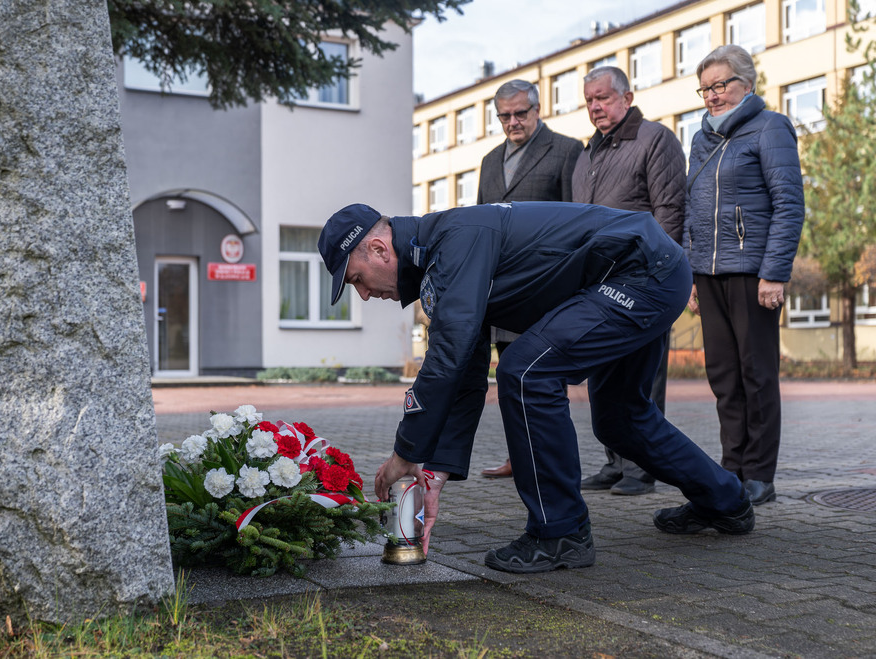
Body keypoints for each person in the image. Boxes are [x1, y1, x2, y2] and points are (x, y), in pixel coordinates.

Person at [317, 201, 754, 574]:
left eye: (356, 280)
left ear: (377, 248)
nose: (365, 295)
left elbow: (448, 356)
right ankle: (726, 501)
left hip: (639, 272)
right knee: (621, 420)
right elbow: (465, 369)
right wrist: (435, 467)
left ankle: (561, 532)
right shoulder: (439, 260)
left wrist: (405, 452)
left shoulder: (455, 242)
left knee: (526, 371)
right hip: (647, 271)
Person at [684, 45, 804, 506]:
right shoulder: (701, 140)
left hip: (753, 273)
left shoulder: (770, 127)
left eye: (720, 85)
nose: (712, 95)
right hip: (708, 273)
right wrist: (689, 272)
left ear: (746, 83)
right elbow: (692, 213)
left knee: (757, 373)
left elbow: (789, 204)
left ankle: (759, 473)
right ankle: (730, 467)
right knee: (722, 376)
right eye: (705, 88)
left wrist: (774, 272)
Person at [572, 66, 687, 496]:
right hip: (598, 286)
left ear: (627, 96)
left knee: (642, 381)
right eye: (589, 100)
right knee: (605, 375)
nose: (596, 107)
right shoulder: (588, 154)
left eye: (602, 97)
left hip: (643, 282)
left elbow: (670, 210)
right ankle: (615, 463)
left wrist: (659, 276)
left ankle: (643, 469)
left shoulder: (655, 139)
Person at [477, 79, 583, 479]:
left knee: (544, 379)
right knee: (509, 376)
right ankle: (518, 457)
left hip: (546, 287)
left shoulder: (568, 150)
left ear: (538, 110)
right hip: (504, 290)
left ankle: (552, 464)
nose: (513, 122)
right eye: (504, 115)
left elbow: (578, 219)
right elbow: (479, 224)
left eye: (521, 113)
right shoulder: (489, 161)